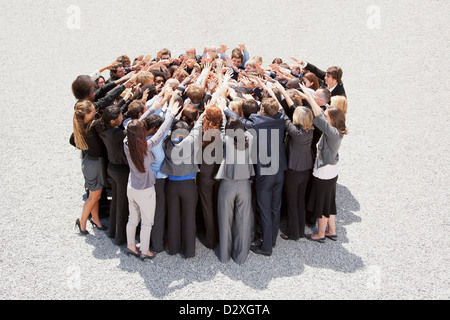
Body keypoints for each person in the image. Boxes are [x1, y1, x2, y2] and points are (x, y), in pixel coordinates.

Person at [223, 95, 287, 256]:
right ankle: (271, 239)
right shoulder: (280, 119)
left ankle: (266, 247)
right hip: (279, 170)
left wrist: (223, 106)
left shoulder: (256, 124)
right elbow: (277, 109)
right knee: (275, 207)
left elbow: (237, 118)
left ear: (262, 110)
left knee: (264, 209)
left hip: (265, 173)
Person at [123, 98, 181, 260]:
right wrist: (171, 115)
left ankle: (130, 245)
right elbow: (161, 133)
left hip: (131, 186)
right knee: (147, 222)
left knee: (133, 218)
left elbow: (132, 127)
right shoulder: (146, 146)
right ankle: (145, 251)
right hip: (146, 189)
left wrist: (150, 110)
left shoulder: (126, 142)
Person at [299, 84, 348, 243]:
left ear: (332, 121)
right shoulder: (337, 131)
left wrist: (308, 97)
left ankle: (320, 234)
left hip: (324, 173)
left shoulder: (332, 133)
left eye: (327, 117)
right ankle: (331, 230)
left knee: (321, 204)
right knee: (329, 203)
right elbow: (322, 114)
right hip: (332, 172)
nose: (324, 117)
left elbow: (319, 115)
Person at [160, 108, 204, 259]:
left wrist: (172, 115)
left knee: (173, 216)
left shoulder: (166, 143)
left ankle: (173, 248)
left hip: (171, 185)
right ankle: (189, 251)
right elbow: (197, 128)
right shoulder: (190, 142)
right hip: (188, 184)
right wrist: (203, 113)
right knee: (189, 217)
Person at [215, 116, 255, 264]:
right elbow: (245, 131)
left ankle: (224, 256)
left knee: (225, 220)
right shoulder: (249, 138)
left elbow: (222, 132)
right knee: (244, 221)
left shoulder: (226, 140)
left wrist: (224, 121)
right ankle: (240, 257)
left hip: (227, 184)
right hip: (245, 184)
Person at [70, 100, 106, 234]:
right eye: (93, 111)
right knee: (94, 196)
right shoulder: (92, 126)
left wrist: (85, 147)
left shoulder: (81, 126)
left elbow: (71, 140)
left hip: (90, 161)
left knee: (94, 194)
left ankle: (95, 219)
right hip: (93, 164)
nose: (95, 112)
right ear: (86, 115)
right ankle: (82, 221)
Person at [96, 105, 129, 245]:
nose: (122, 117)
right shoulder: (116, 134)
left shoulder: (102, 127)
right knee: (122, 203)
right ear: (113, 120)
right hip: (121, 170)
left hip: (112, 168)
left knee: (115, 199)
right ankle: (120, 237)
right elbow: (131, 129)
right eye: (121, 116)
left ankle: (112, 230)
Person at [197, 104, 224, 249]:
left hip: (205, 174)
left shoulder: (202, 132)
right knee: (218, 205)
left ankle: (210, 239)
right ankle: (220, 236)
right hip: (219, 173)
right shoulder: (223, 131)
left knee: (207, 207)